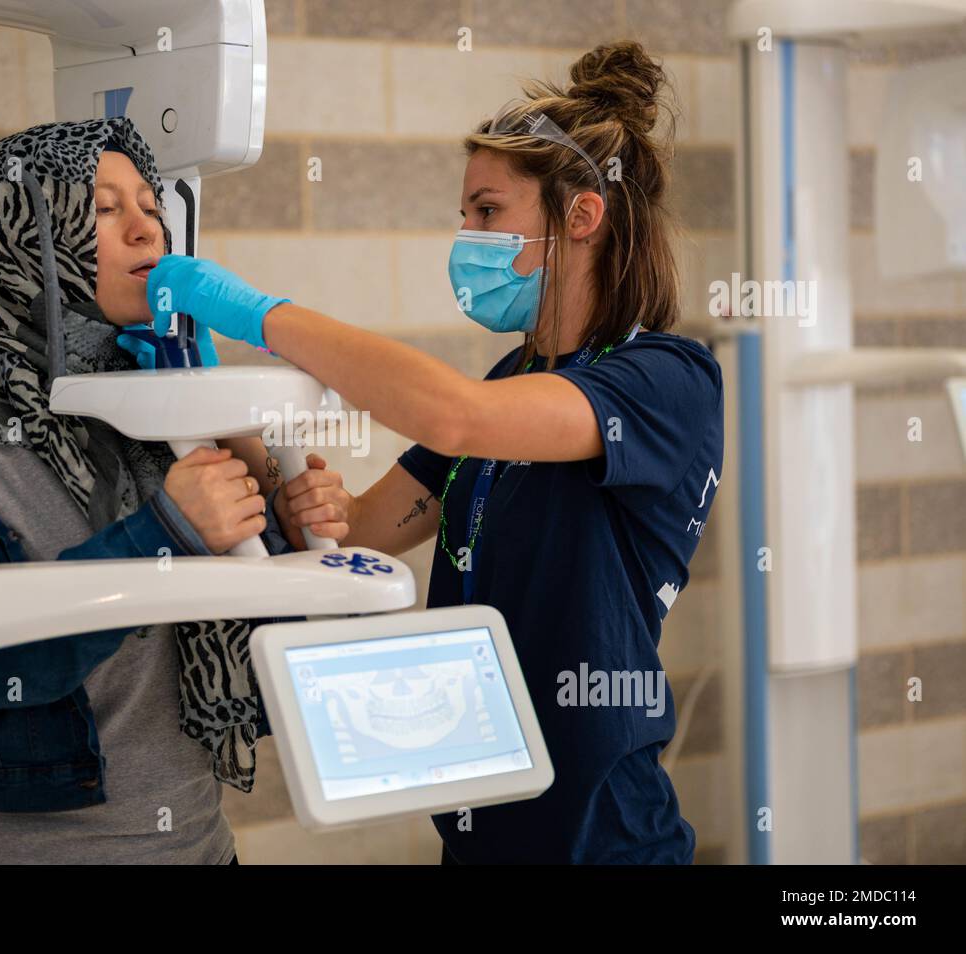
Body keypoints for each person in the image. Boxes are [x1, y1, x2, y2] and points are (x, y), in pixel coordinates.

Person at [139, 41, 724, 864]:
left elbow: (453, 416)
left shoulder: (665, 381)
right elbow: (358, 535)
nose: (466, 236)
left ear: (581, 216)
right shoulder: (516, 378)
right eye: (464, 215)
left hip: (602, 835)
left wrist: (257, 311)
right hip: (481, 819)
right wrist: (203, 383)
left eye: (487, 212)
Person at [0, 117, 348, 864]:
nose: (148, 233)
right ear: (17, 237)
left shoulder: (163, 396)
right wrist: (162, 534)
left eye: (150, 207)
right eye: (106, 211)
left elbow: (256, 635)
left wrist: (284, 526)